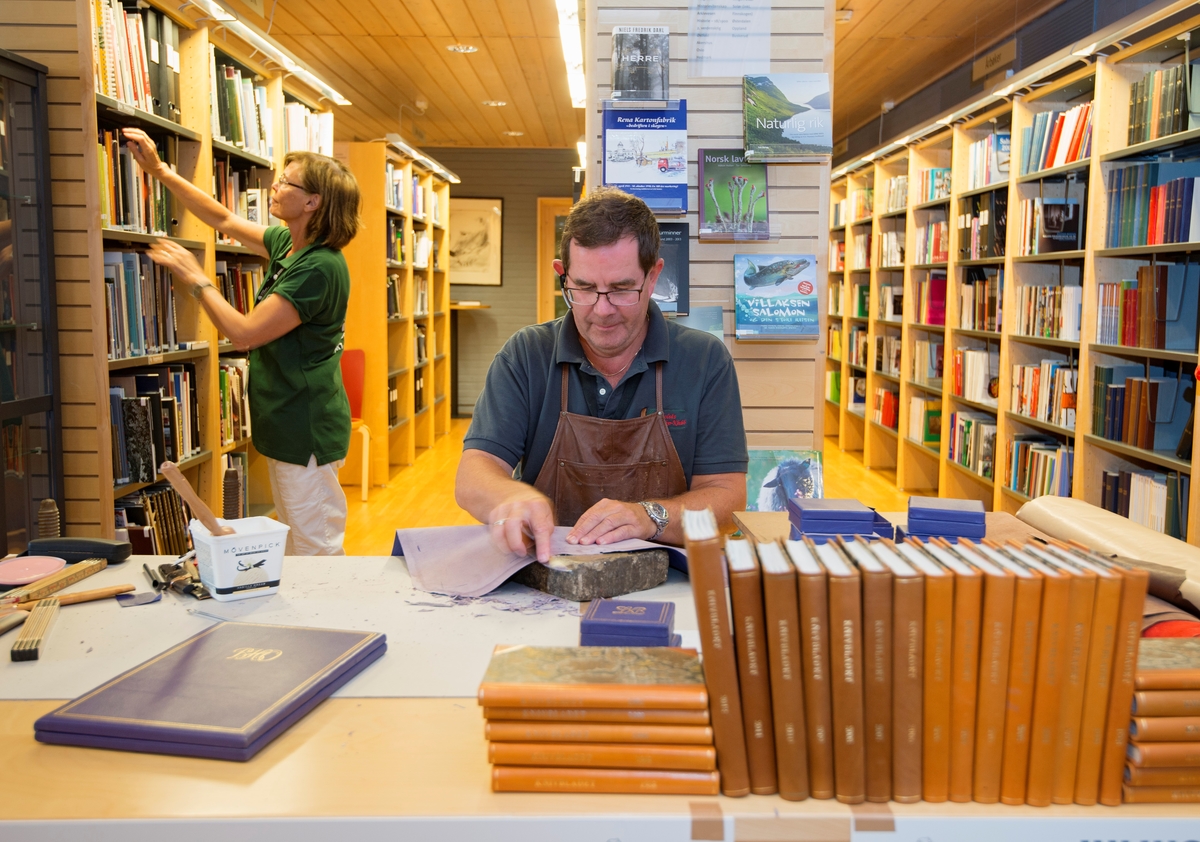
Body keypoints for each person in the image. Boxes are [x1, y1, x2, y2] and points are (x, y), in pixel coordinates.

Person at [455, 187, 748, 563]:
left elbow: (727, 498)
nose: (603, 309)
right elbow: (474, 474)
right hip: (546, 576)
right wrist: (510, 498)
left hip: (665, 578)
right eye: (585, 288)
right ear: (563, 275)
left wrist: (649, 516)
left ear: (654, 275)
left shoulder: (704, 361)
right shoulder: (526, 355)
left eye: (623, 289)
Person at [122, 128, 360, 556]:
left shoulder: (319, 267)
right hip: (284, 419)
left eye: (287, 181)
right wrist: (159, 171)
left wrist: (197, 280)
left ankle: (337, 622)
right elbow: (223, 220)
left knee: (317, 550)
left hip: (304, 427)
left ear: (313, 202)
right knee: (300, 544)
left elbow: (245, 333)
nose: (276, 185)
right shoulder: (290, 243)